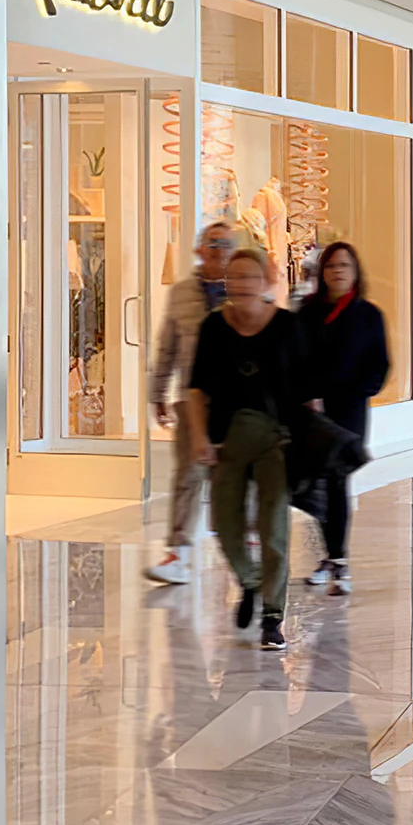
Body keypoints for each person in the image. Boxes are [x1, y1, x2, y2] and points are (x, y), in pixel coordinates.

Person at [188, 249, 315, 650]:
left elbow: (310, 393)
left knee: (273, 528)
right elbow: (196, 390)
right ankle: (250, 580)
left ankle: (272, 616)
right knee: (225, 527)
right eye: (235, 278)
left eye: (250, 277)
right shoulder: (213, 327)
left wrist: (311, 441)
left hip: (277, 441)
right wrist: (197, 438)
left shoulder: (288, 327)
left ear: (265, 282)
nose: (242, 285)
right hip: (226, 442)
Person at [296, 242, 391, 595]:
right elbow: (297, 361)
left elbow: (378, 366)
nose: (337, 271)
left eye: (344, 265)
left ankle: (337, 559)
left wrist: (352, 392)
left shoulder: (368, 315)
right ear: (322, 272)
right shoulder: (307, 313)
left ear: (355, 271)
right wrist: (307, 396)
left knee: (336, 481)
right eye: (331, 265)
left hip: (348, 413)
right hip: (313, 412)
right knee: (315, 483)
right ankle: (332, 556)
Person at [145, 222, 235, 584]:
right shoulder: (182, 293)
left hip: (235, 401)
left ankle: (247, 549)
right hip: (190, 399)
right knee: (187, 476)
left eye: (226, 245)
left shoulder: (245, 289)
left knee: (237, 476)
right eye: (212, 244)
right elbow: (167, 345)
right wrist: (158, 393)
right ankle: (177, 553)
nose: (218, 251)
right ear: (199, 250)